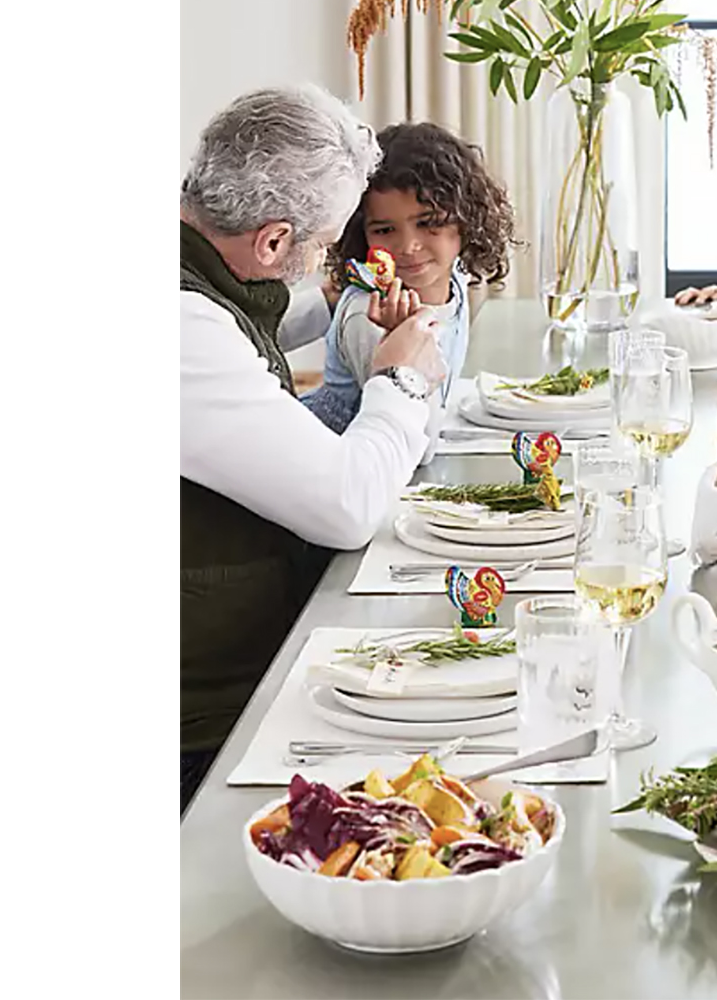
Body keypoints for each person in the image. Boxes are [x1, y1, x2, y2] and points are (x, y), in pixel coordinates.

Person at [179, 85, 448, 811]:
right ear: (271, 240)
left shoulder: (200, 279)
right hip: (201, 721)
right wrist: (401, 379)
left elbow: (248, 323)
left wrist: (335, 304)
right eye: (326, 245)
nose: (336, 256)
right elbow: (346, 503)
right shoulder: (181, 326)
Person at [303, 122, 518, 435]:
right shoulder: (369, 316)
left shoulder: (453, 278)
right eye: (384, 230)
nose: (408, 247)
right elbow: (417, 444)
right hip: (337, 464)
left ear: (466, 218)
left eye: (429, 222)